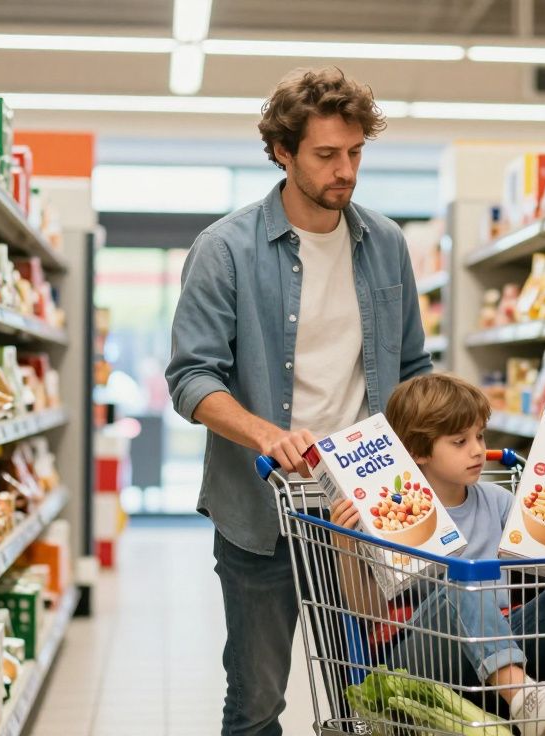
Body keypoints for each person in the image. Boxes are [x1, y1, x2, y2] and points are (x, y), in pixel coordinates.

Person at [165, 66, 433, 736]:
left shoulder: (388, 246)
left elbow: (412, 368)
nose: (345, 171)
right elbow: (191, 378)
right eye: (325, 156)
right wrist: (266, 435)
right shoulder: (224, 250)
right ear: (283, 153)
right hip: (261, 512)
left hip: (364, 512)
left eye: (355, 153)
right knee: (257, 703)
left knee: (369, 698)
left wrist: (441, 444)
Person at [331, 374, 545, 736]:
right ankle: (525, 701)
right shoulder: (391, 514)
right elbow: (369, 614)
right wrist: (345, 545)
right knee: (464, 579)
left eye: (480, 436)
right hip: (425, 657)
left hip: (499, 647)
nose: (477, 450)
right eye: (460, 441)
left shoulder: (497, 501)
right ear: (417, 451)